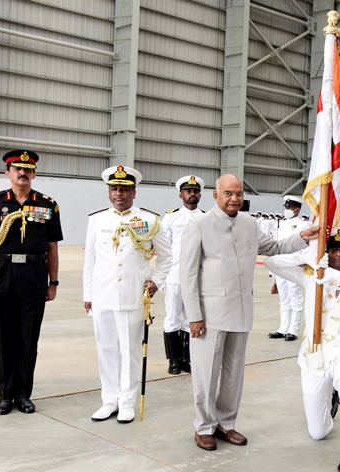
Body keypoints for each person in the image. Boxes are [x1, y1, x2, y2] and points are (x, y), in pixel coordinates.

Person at [180, 174, 319, 451]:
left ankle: (226, 424)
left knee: (233, 374)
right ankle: (204, 427)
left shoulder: (250, 224)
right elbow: (187, 273)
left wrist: (302, 236)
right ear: (216, 195)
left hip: (241, 312)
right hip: (209, 314)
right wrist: (194, 315)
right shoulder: (199, 225)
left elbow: (275, 248)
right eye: (229, 193)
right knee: (205, 375)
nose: (235, 199)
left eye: (239, 194)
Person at [264, 230, 340, 472]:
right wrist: (306, 257)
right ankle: (335, 398)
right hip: (313, 355)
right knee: (317, 432)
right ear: (326, 252)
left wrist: (333, 275)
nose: (338, 253)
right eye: (333, 249)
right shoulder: (310, 275)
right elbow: (270, 261)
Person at [0, 150, 63, 416]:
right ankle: (4, 394)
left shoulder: (47, 205)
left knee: (27, 338)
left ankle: (23, 394)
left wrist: (53, 282)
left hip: (34, 275)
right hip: (0, 273)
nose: (22, 173)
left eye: (28, 169)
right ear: (7, 173)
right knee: (2, 338)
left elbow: (52, 248)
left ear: (34, 173)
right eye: (16, 169)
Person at [83, 166, 170, 424]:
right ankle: (109, 400)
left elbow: (167, 256)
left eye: (124, 189)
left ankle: (127, 401)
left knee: (131, 352)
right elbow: (90, 261)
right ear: (109, 192)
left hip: (133, 297)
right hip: (102, 297)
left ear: (134, 191)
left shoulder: (150, 220)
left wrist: (157, 280)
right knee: (106, 349)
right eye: (114, 188)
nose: (118, 193)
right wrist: (88, 294)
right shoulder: (97, 220)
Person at [161, 175, 205, 375]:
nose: (192, 194)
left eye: (195, 191)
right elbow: (164, 249)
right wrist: (161, 278)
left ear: (200, 195)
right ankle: (174, 361)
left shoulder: (206, 217)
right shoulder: (171, 217)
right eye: (188, 191)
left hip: (197, 278)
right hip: (174, 276)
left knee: (190, 319)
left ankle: (187, 359)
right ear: (181, 195)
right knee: (172, 318)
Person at [268, 196, 312, 341]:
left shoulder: (304, 225)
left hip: (294, 264)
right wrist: (271, 269)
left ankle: (293, 330)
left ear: (297, 209)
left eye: (289, 208)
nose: (286, 210)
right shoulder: (281, 224)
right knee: (283, 296)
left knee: (295, 296)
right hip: (280, 264)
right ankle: (283, 328)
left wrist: (302, 263)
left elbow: (306, 246)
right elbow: (276, 245)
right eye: (286, 207)